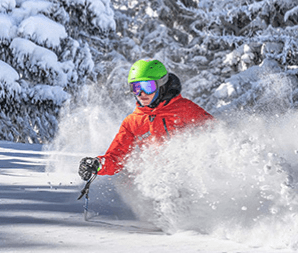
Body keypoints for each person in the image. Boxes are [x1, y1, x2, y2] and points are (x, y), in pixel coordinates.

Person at [78, 59, 214, 181]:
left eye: (148, 87)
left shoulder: (184, 109)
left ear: (161, 85)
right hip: (157, 183)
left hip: (189, 179)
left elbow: (215, 134)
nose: (141, 93)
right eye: (136, 88)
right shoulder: (132, 122)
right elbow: (116, 158)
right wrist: (98, 165)